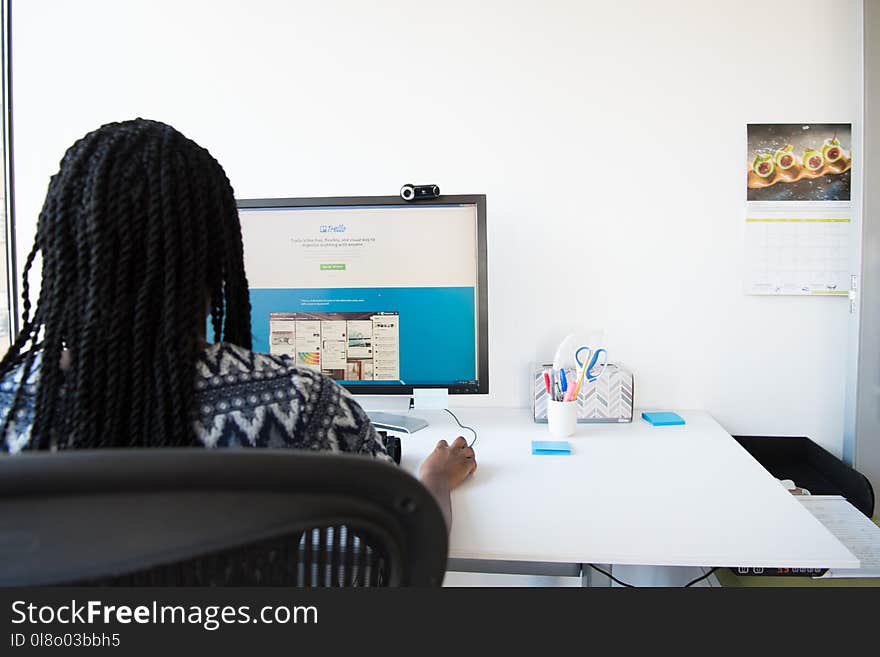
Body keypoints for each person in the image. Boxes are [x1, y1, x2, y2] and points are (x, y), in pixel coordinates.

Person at [0, 118, 475, 527]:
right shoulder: (304, 405)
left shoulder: (11, 409)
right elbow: (406, 537)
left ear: (63, 255)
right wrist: (434, 478)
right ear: (215, 260)